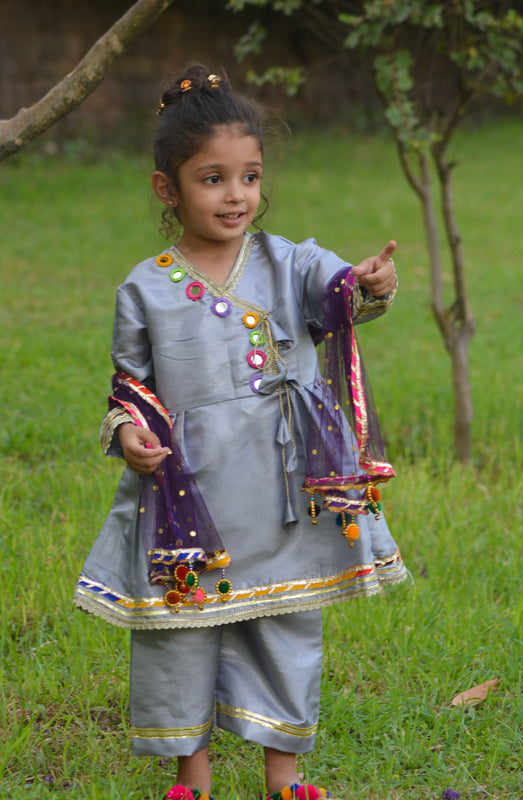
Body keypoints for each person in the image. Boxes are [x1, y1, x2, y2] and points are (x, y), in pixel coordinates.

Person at [74, 64, 407, 800]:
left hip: (282, 485)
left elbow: (338, 288)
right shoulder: (146, 286)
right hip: (192, 494)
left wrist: (366, 283)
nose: (236, 195)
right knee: (181, 630)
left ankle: (282, 777)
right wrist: (128, 434)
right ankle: (191, 777)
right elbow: (128, 389)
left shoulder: (286, 261)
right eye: (212, 178)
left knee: (287, 620)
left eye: (249, 176)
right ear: (169, 189)